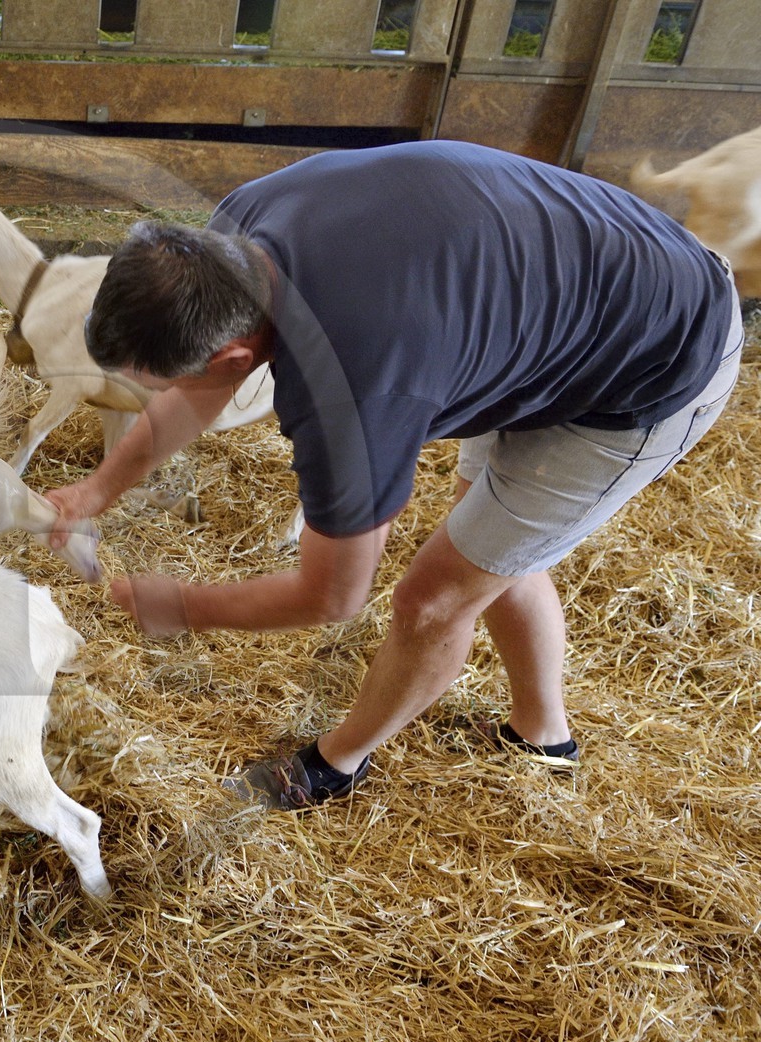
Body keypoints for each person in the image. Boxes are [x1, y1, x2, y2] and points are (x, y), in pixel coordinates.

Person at [45, 140, 745, 812]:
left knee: (432, 602)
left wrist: (182, 607)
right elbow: (199, 389)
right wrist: (96, 491)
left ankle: (338, 762)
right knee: (492, 547)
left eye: (166, 377)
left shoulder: (347, 389)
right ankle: (545, 737)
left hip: (657, 362)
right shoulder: (234, 234)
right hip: (558, 298)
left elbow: (334, 594)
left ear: (232, 355)